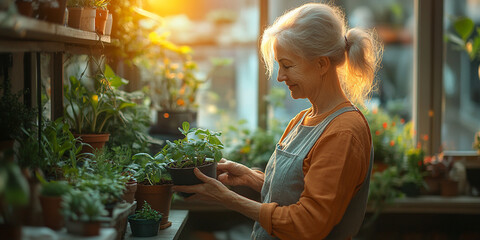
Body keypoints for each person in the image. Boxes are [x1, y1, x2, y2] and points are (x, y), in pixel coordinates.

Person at [172, 2, 383, 240]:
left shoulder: (343, 132)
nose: (281, 76)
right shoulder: (302, 119)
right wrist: (251, 178)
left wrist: (227, 198)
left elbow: (308, 224)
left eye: (287, 65)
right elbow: (296, 191)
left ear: (322, 64)